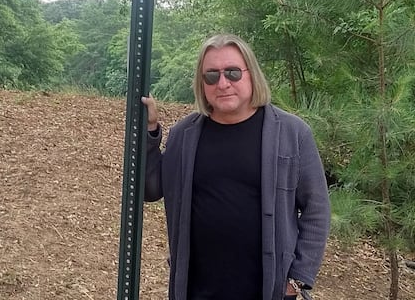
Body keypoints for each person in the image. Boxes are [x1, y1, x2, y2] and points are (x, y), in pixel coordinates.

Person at [141, 33, 331, 300]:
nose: (222, 83)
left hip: (267, 290)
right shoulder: (184, 135)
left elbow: (317, 209)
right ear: (202, 82)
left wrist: (298, 279)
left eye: (232, 73)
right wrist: (150, 131)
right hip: (196, 289)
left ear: (251, 74)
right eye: (211, 75)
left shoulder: (292, 133)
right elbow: (151, 189)